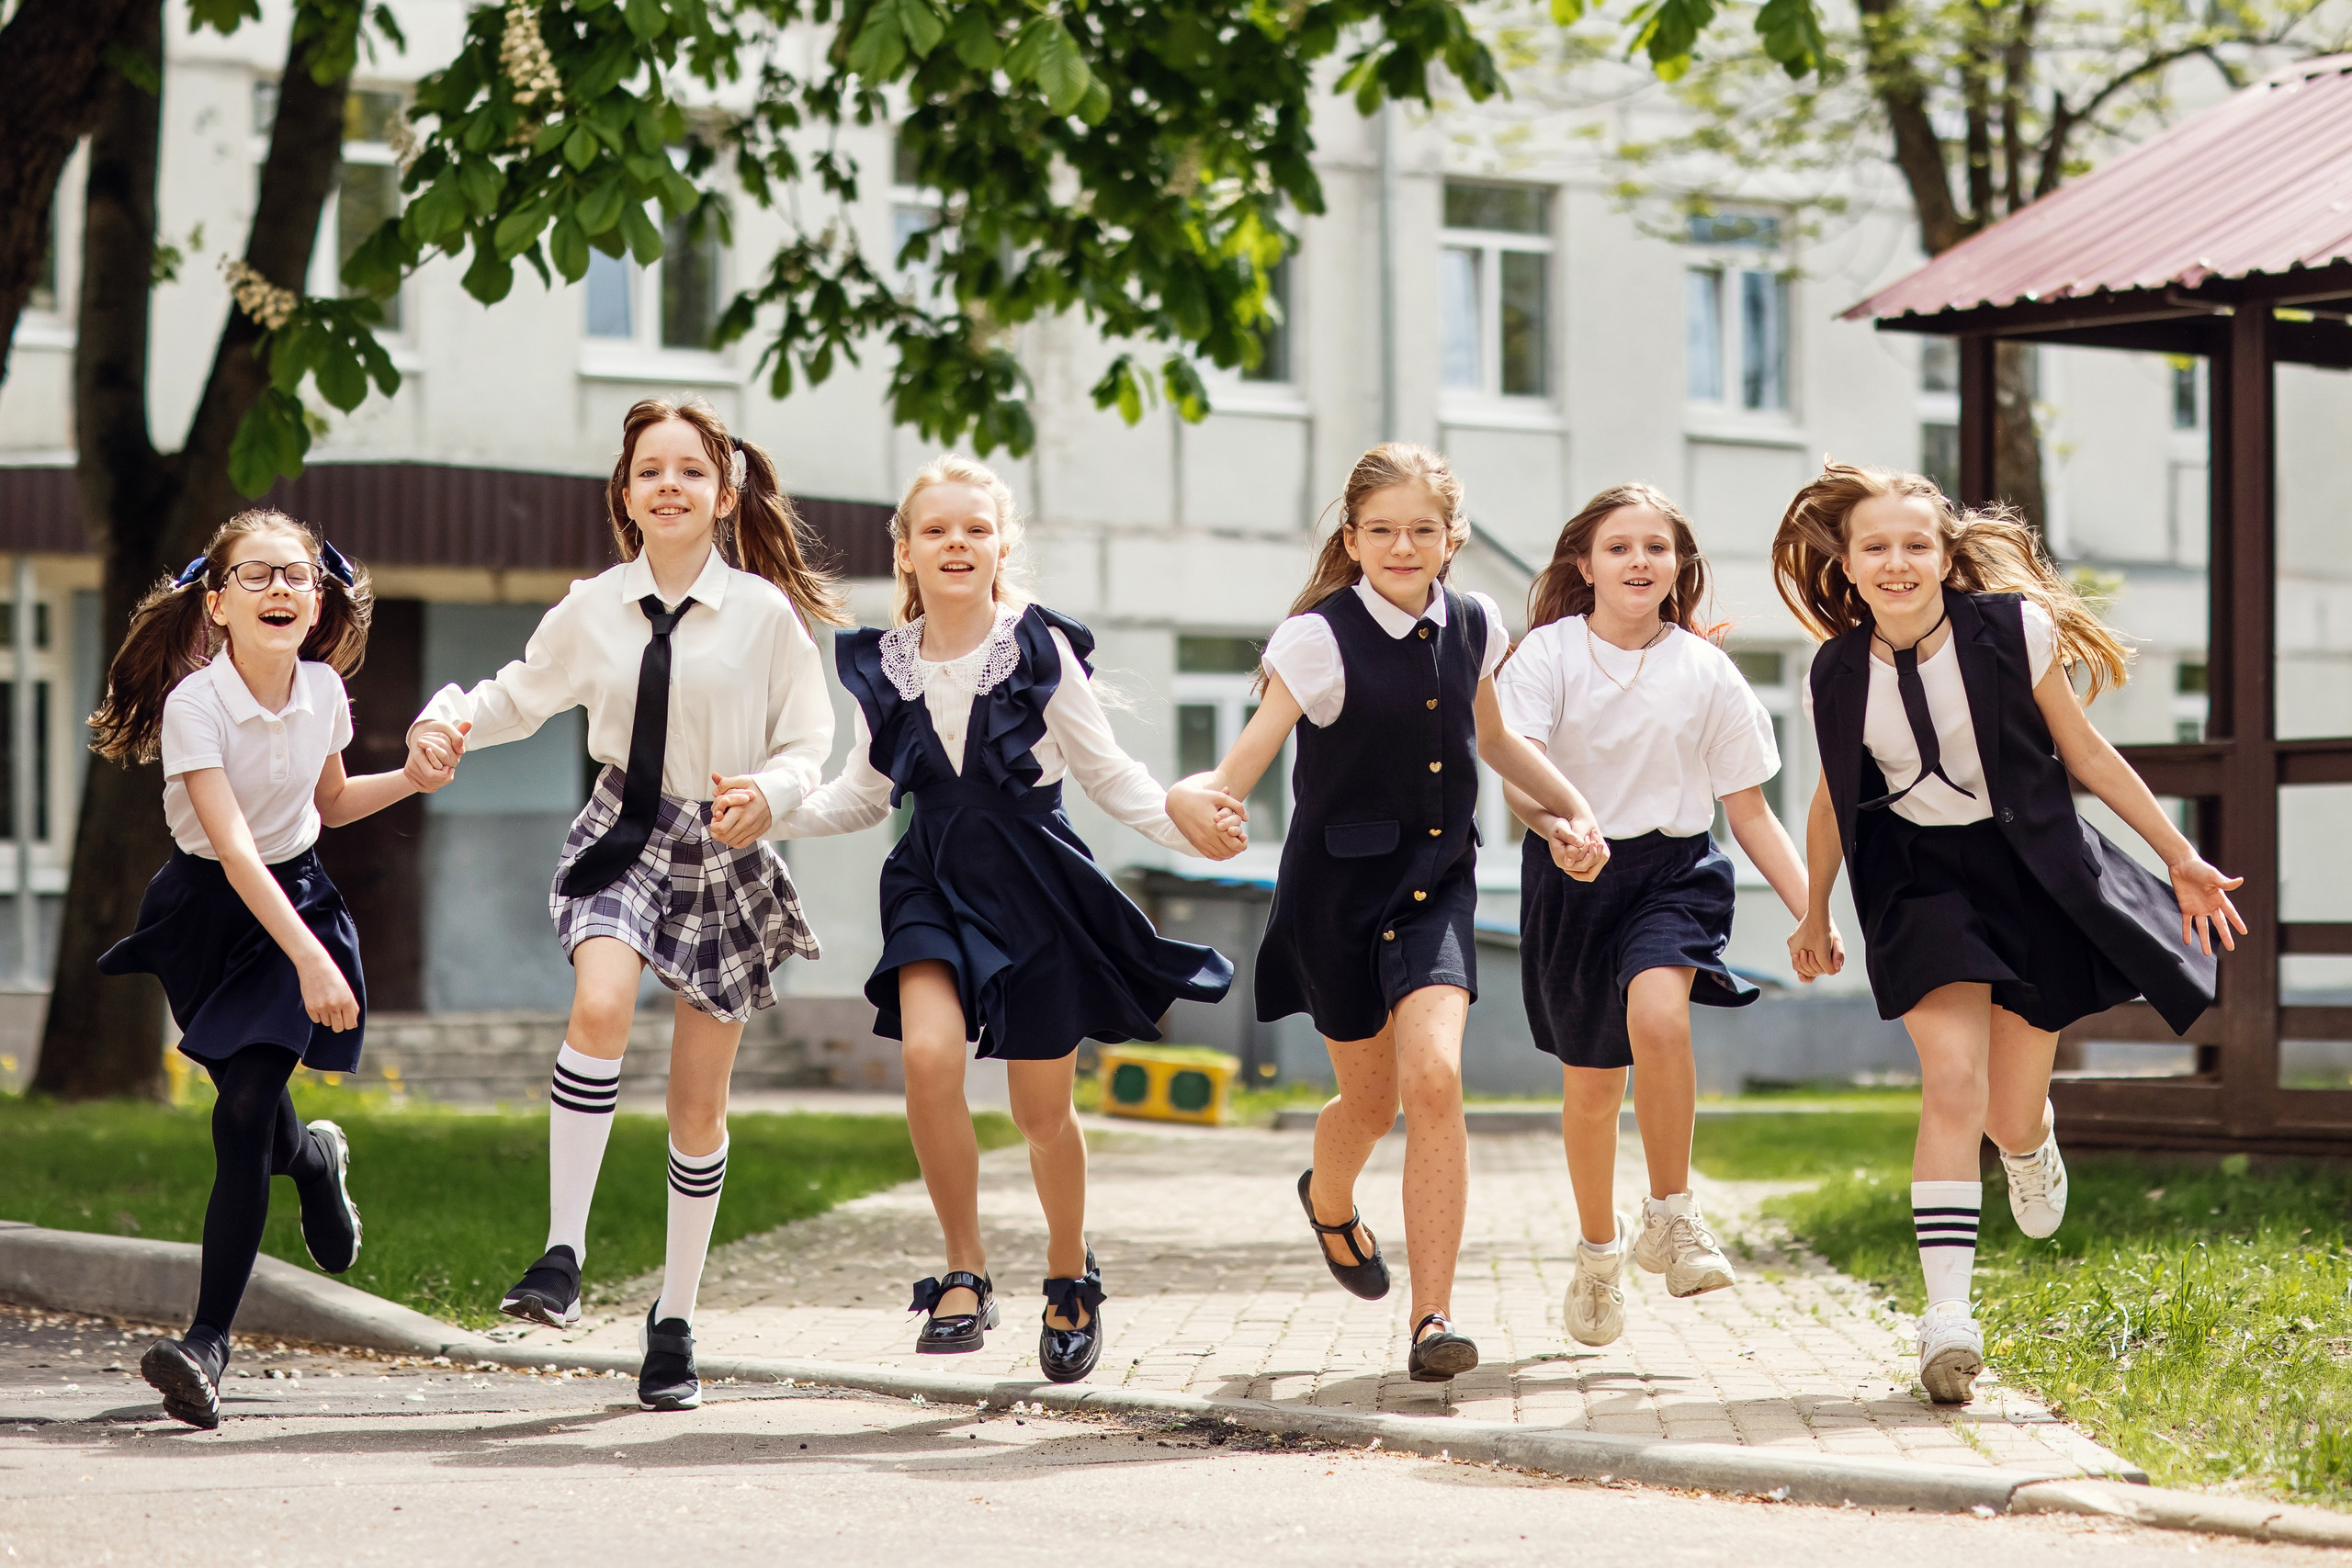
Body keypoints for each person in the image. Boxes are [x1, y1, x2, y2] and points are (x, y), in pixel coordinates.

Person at [1774, 460, 2244, 1404]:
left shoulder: (2010, 632)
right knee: (1949, 1079)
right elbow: (1829, 796)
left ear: (1948, 559)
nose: (1896, 561)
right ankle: (1946, 1316)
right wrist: (1813, 906)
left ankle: (2029, 1146)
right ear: (1849, 564)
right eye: (1876, 547)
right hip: (1916, 882)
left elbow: (2085, 753)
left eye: (1916, 545)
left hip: (2029, 872)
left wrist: (2177, 853)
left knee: (2004, 1110)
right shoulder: (1833, 672)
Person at [406, 398, 842, 1411]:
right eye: (651, 470)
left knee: (696, 1109)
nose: (671, 486)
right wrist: (446, 719)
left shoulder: (766, 615)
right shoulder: (592, 606)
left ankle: (675, 1316)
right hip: (623, 835)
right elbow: (515, 694)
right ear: (627, 492)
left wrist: (771, 794)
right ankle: (561, 1251)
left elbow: (809, 741)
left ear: (723, 494)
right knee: (598, 1005)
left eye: (691, 470)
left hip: (725, 846)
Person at [775, 455, 1234, 1383]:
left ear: (1001, 546)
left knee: (1039, 1110)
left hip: (1034, 881)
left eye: (975, 529)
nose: (957, 543)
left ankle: (1069, 1270)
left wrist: (1179, 821)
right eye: (936, 530)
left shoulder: (1036, 647)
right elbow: (865, 795)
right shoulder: (886, 665)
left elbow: (1106, 772)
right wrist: (769, 811)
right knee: (928, 1057)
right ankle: (962, 1270)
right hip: (928, 878)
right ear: (904, 550)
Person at [1168, 443, 1607, 1384]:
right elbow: (1239, 764)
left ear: (1451, 539)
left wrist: (1572, 811)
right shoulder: (1314, 640)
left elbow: (1494, 739)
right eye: (1381, 530)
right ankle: (1328, 1199)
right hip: (1335, 904)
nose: (1401, 546)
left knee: (1435, 1080)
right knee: (1368, 1105)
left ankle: (1431, 1317)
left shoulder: (1477, 623)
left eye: (1420, 530)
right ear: (1353, 538)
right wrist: (1193, 797)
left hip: (1437, 889)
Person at [94, 510, 439, 1429]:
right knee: (258, 1110)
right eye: (256, 576)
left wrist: (410, 776)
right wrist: (309, 960)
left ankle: (205, 1344)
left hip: (296, 900)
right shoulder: (195, 704)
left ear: (318, 601)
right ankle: (315, 1160)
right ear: (216, 603)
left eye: (297, 576)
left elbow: (327, 802)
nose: (281, 589)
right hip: (210, 912)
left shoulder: (322, 689)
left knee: (243, 1107)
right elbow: (233, 846)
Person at [1496, 483, 1822, 1348]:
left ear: (1679, 566)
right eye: (1619, 546)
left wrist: (1810, 909)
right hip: (1570, 874)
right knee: (1594, 1087)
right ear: (1584, 563)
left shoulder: (1704, 669)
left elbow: (1748, 810)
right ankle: (1600, 1253)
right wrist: (1560, 828)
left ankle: (1674, 1214)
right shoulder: (1546, 656)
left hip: (1673, 871)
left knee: (1660, 1013)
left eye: (1657, 547)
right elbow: (1514, 775)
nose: (1639, 561)